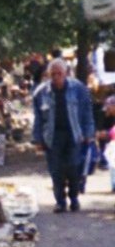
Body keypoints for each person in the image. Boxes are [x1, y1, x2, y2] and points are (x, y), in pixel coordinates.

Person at [31, 56, 96, 213]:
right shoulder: (40, 93)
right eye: (53, 74)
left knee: (74, 167)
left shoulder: (79, 89)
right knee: (56, 170)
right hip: (52, 136)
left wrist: (89, 133)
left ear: (66, 73)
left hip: (74, 134)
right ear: (48, 75)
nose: (56, 77)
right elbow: (38, 118)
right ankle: (60, 201)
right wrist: (37, 139)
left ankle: (74, 198)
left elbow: (87, 112)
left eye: (59, 73)